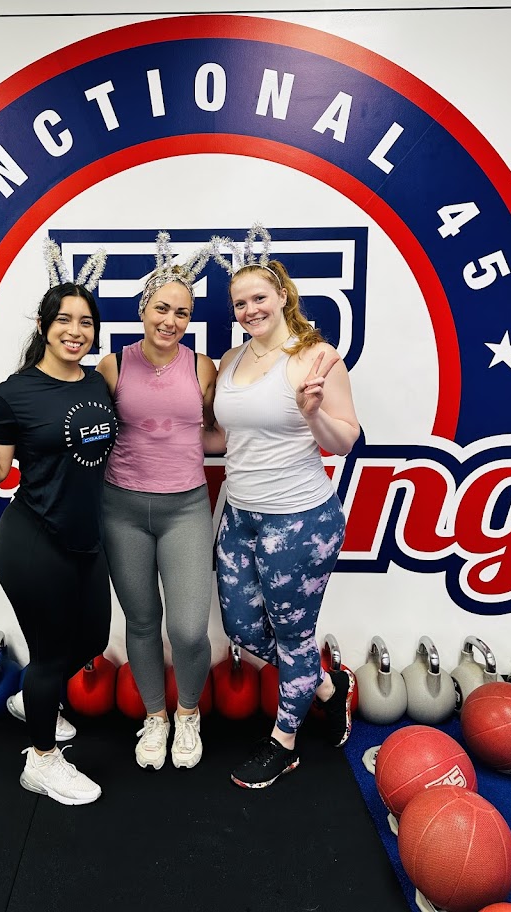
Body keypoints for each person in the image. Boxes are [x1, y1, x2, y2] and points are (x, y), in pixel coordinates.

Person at [0, 241, 117, 805]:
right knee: (50, 655)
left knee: (92, 638)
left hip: (86, 538)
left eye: (86, 322)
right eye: (64, 319)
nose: (76, 331)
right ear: (43, 327)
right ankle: (41, 761)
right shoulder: (14, 393)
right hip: (34, 538)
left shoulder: (96, 383)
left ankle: (30, 699)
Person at [206, 226, 360, 789]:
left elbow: (345, 440)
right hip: (240, 513)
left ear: (282, 295)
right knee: (243, 627)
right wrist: (154, 435)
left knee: (294, 637)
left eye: (259, 298)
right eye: (239, 303)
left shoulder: (315, 357)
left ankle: (285, 743)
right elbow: (224, 438)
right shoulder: (230, 359)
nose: (249, 310)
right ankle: (327, 686)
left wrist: (312, 413)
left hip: (299, 520)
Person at [96, 233, 217, 771]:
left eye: (182, 312)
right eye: (162, 308)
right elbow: (88, 432)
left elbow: (219, 431)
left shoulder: (204, 367)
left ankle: (187, 713)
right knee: (142, 621)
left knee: (188, 629)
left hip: (185, 508)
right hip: (121, 508)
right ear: (143, 309)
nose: (170, 320)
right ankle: (156, 716)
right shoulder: (113, 365)